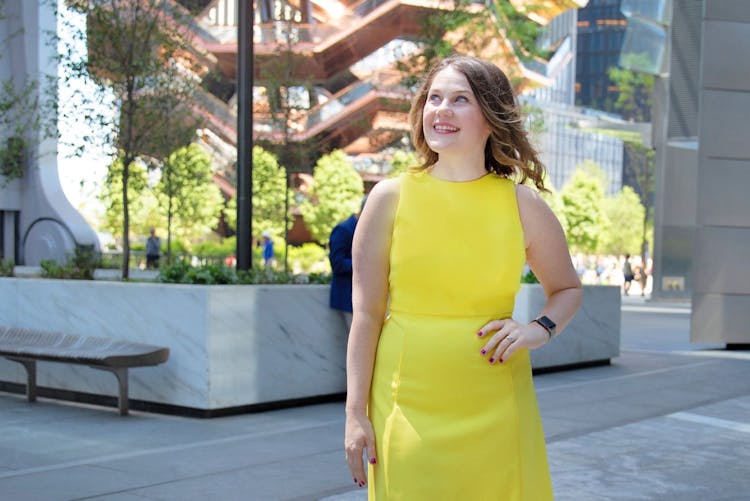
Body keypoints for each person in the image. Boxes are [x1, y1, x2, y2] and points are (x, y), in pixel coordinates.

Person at [344, 54, 582, 499]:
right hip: (405, 402)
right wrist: (355, 412)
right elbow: (366, 316)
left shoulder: (522, 205)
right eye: (434, 98)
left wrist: (539, 330)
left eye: (460, 100)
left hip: (496, 400)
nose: (442, 110)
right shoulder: (388, 198)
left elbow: (567, 289)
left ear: (491, 118)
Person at [329, 197, 367, 332]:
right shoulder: (343, 230)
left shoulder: (368, 230)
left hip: (364, 300)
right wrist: (365, 266)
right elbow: (337, 263)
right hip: (347, 298)